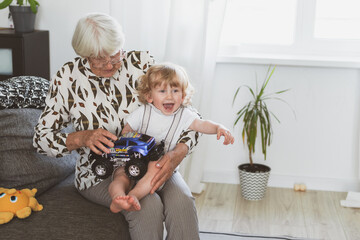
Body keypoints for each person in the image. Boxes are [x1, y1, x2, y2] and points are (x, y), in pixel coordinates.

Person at [33, 12, 201, 240]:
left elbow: (188, 114)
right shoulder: (67, 78)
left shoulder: (142, 64)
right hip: (99, 173)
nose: (110, 64)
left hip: (152, 160)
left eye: (115, 55)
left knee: (182, 201)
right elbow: (41, 139)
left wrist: (177, 155)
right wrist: (81, 138)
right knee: (147, 206)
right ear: (83, 54)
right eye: (99, 59)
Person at [109, 63, 235, 213]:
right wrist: (124, 144)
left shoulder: (184, 115)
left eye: (175, 90)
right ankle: (118, 198)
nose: (169, 96)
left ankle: (134, 195)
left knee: (156, 168)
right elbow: (126, 131)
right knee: (120, 176)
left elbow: (202, 124)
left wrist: (218, 128)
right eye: (162, 91)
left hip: (158, 165)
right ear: (149, 96)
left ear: (183, 95)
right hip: (133, 160)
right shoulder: (143, 112)